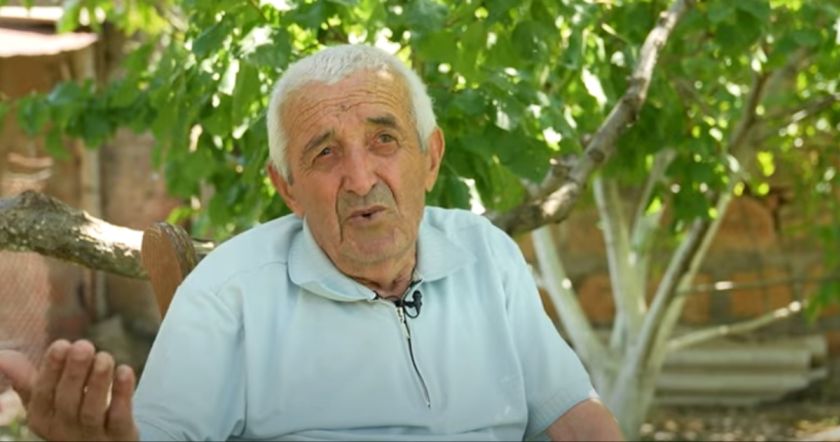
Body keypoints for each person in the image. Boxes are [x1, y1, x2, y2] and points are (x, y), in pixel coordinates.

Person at [0, 44, 622, 441]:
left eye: (384, 140)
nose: (360, 179)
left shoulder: (487, 255)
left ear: (431, 158)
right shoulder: (228, 295)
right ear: (288, 188)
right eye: (325, 153)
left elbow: (573, 416)